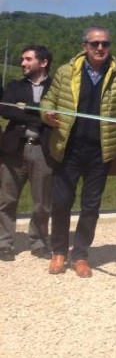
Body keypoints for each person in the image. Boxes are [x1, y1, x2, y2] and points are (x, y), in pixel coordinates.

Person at [41, 27, 116, 277]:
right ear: (85, 46)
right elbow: (48, 100)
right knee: (61, 202)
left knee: (91, 206)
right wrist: (46, 114)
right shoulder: (65, 72)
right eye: (95, 44)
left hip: (100, 151)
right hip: (66, 148)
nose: (100, 48)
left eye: (105, 44)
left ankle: (80, 254)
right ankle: (59, 251)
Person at [0, 45, 54, 261]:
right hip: (14, 149)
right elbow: (5, 109)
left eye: (28, 59)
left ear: (43, 63)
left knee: (42, 202)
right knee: (6, 199)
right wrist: (39, 114)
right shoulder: (14, 86)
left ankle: (39, 242)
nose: (22, 63)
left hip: (43, 149)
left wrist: (25, 107)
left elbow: (61, 115)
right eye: (23, 59)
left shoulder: (57, 88)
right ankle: (3, 243)